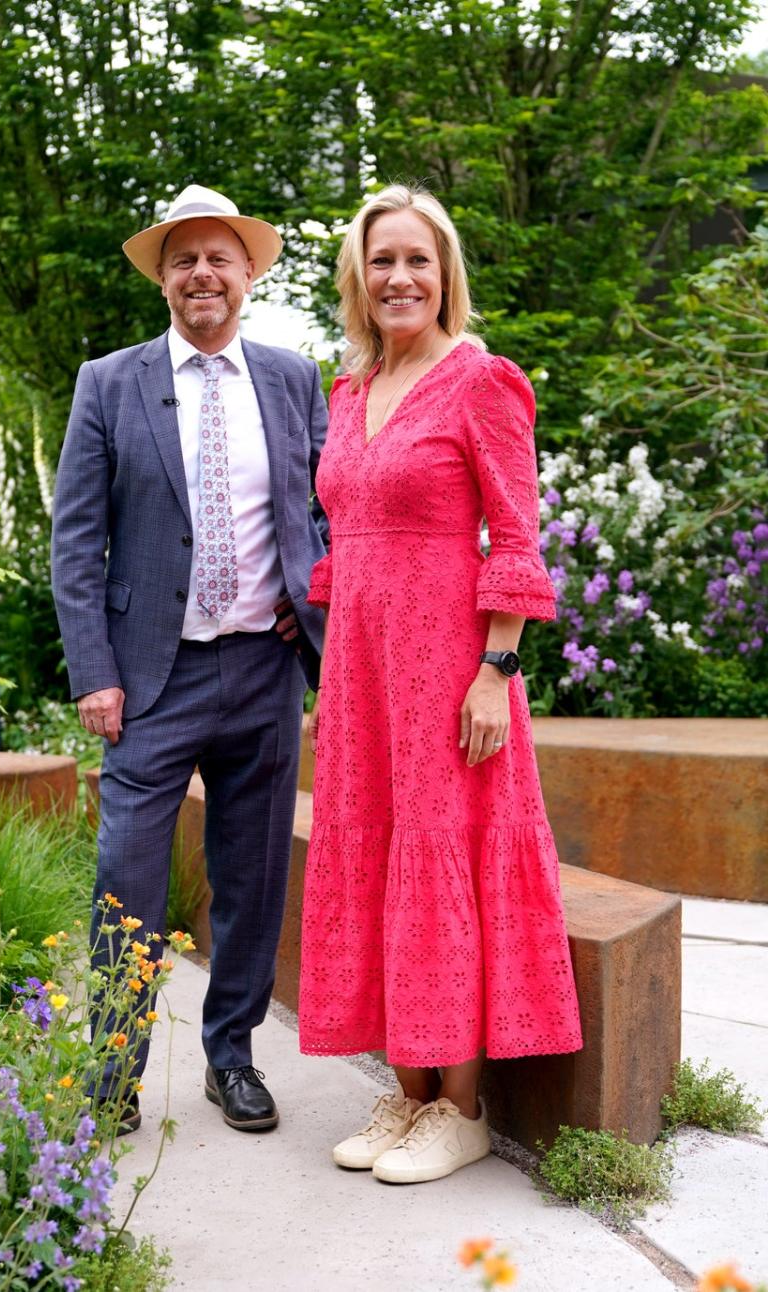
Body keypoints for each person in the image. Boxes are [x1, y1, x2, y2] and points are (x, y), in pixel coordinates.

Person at [299, 184, 582, 1185]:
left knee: (441, 850)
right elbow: (347, 538)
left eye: (418, 260)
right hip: (365, 672)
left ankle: (460, 1105)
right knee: (380, 855)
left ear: (445, 273)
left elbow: (517, 533)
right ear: (359, 277)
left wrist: (495, 671)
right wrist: (331, 674)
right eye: (383, 261)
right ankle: (409, 1094)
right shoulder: (350, 387)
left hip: (450, 663)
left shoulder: (482, 380)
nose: (399, 277)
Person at [51, 184, 329, 1134]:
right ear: (163, 279)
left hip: (262, 668)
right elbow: (75, 536)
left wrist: (311, 598)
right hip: (147, 679)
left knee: (252, 877)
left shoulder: (296, 378)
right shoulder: (108, 381)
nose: (202, 274)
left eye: (219, 258)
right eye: (183, 260)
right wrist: (94, 670)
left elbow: (327, 508)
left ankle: (233, 1058)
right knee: (126, 875)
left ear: (249, 273)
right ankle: (112, 1071)